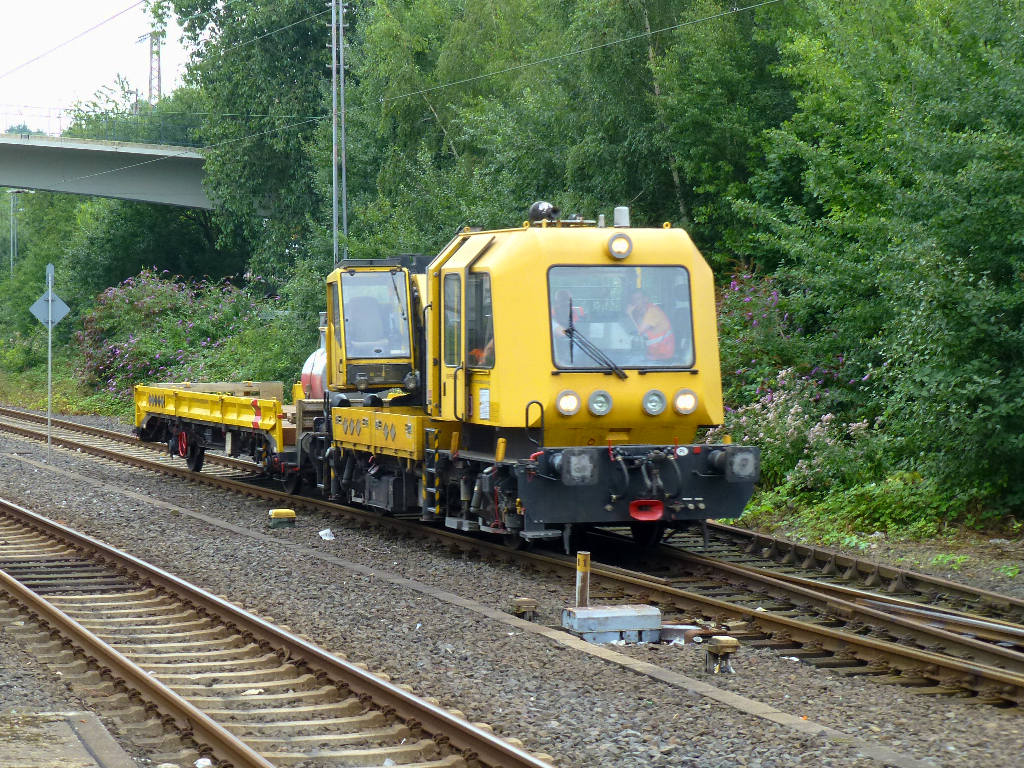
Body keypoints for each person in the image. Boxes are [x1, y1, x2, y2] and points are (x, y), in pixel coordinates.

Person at [627, 290, 675, 360]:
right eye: (633, 300)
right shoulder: (643, 311)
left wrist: (629, 313)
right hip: (655, 351)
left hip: (663, 355)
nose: (635, 302)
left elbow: (638, 332)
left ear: (645, 299)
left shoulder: (652, 311)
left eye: (638, 299)